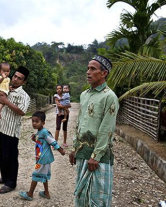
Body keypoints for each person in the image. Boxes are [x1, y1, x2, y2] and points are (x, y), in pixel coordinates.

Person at [69, 55, 119, 206]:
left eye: (93, 69)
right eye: (87, 68)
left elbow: (107, 129)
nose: (88, 72)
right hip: (83, 152)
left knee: (98, 199)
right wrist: (74, 148)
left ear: (104, 73)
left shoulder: (110, 97)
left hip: (98, 157)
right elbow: (80, 123)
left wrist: (96, 156)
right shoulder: (84, 95)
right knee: (82, 195)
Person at [0, 66, 30, 194]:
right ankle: (4, 177)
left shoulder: (24, 96)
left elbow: (22, 111)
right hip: (1, 128)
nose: (16, 79)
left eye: (20, 78)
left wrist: (6, 102)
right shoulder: (5, 87)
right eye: (15, 76)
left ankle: (11, 183)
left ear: (24, 82)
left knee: (11, 157)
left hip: (12, 131)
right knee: (0, 154)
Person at [19, 111, 65, 201]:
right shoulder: (40, 132)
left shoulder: (44, 132)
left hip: (43, 159)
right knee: (43, 175)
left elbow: (52, 141)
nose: (34, 123)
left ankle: (30, 194)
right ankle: (46, 193)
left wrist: (60, 150)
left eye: (37, 121)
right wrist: (35, 139)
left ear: (43, 123)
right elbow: (42, 143)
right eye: (33, 121)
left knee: (35, 175)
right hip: (43, 158)